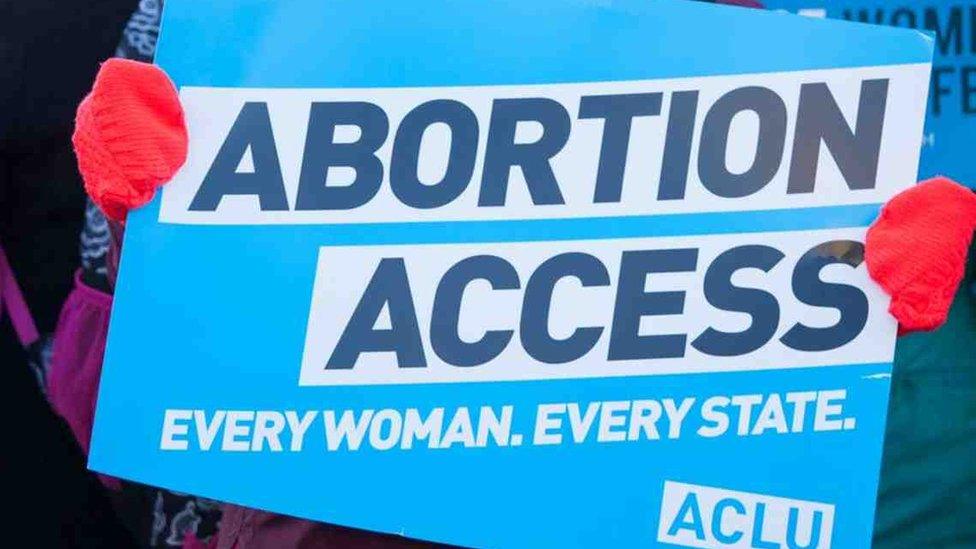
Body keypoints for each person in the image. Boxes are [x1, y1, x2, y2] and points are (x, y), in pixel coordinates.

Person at [60, 1, 976, 548]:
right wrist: (139, 217)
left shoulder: (722, 32)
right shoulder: (257, 22)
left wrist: (868, 263)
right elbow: (143, 367)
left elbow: (757, 301)